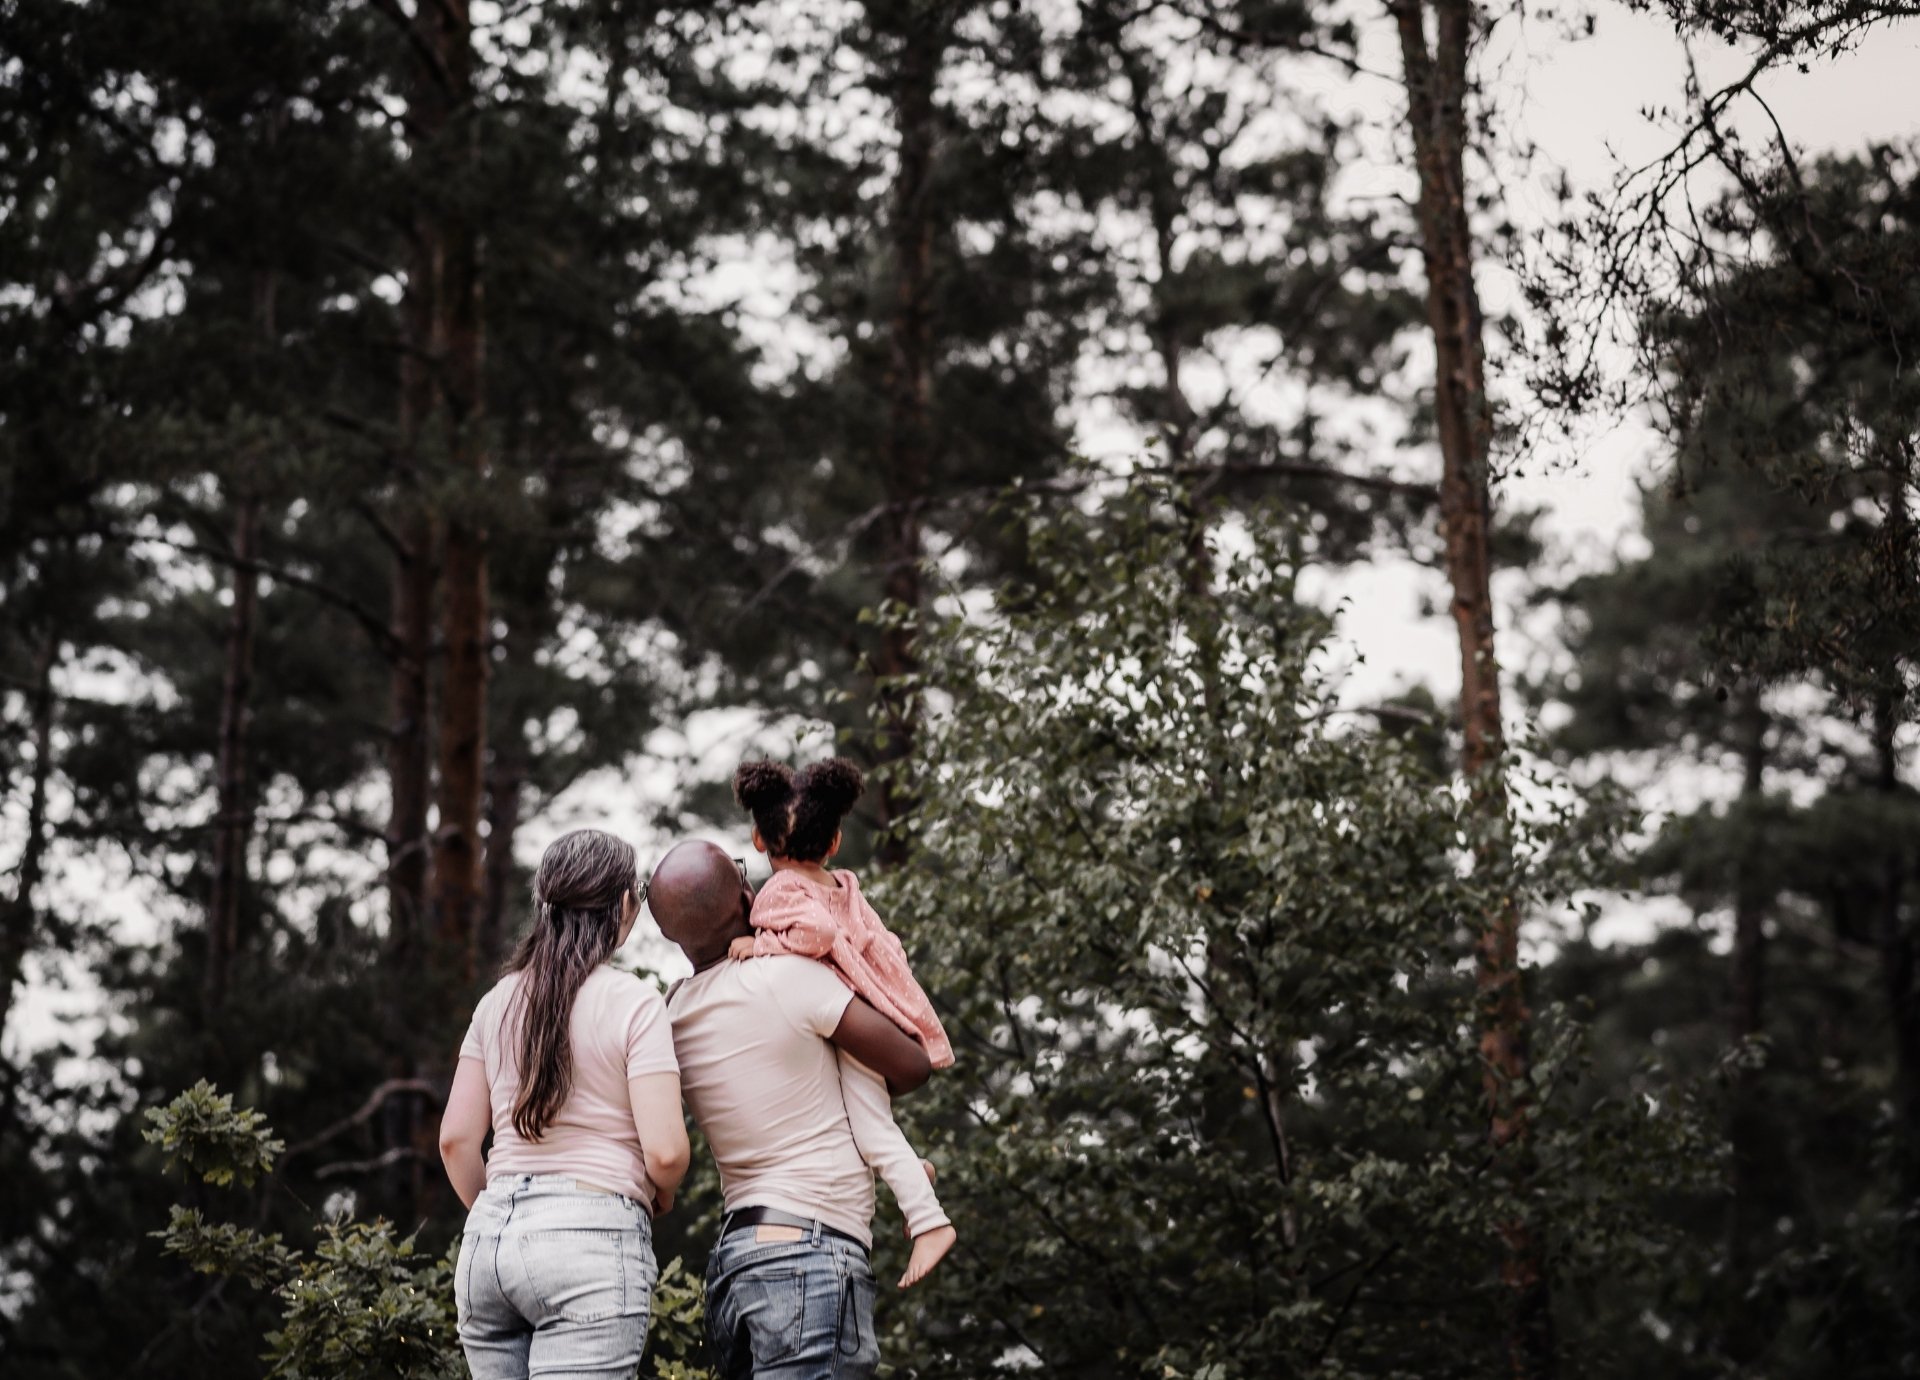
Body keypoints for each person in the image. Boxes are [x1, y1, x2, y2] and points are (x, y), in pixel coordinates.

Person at [647, 840, 935, 1380]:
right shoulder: (788, 977)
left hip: (736, 1262)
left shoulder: (672, 1011)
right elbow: (913, 1064)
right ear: (747, 896)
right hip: (810, 1253)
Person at [440, 828, 690, 1380]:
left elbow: (456, 1141)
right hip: (589, 1247)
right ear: (624, 905)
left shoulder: (495, 1002)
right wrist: (661, 1193)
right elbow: (667, 1154)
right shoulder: (635, 1003)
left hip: (488, 1246)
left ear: (544, 904)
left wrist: (508, 1216)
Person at [728, 759, 955, 1287]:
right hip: (878, 1011)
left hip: (851, 1014)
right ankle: (906, 1170)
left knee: (868, 1126)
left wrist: (763, 943)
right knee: (856, 1115)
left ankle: (929, 1220)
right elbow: (884, 944)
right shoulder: (845, 883)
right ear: (834, 842)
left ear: (759, 841)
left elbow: (817, 936)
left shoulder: (782, 891)